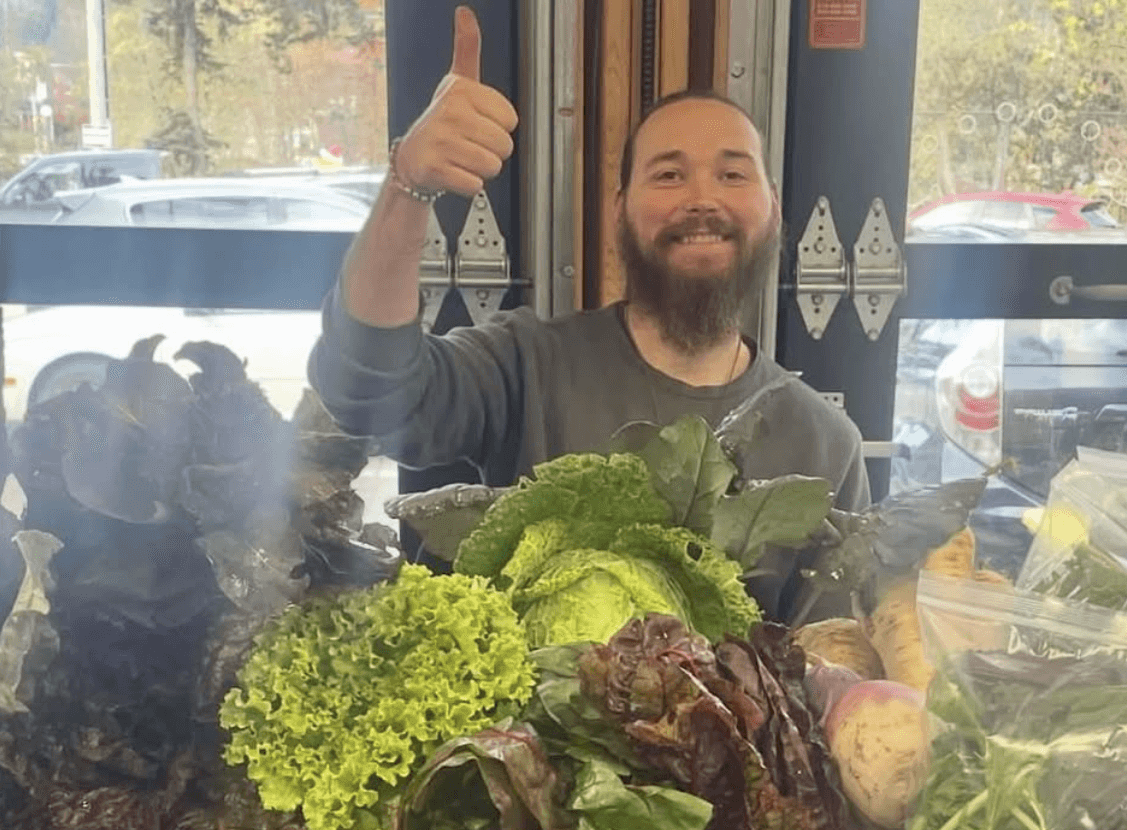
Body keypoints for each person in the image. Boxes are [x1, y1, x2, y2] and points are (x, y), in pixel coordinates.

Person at [308, 5, 869, 621]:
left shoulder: (825, 446)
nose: (702, 199)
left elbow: (833, 658)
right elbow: (366, 389)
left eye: (733, 174)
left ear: (773, 207)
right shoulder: (529, 366)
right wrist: (407, 186)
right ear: (620, 208)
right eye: (669, 174)